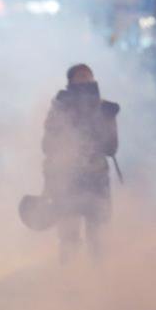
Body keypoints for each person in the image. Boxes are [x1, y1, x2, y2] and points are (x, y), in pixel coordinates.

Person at [42, 64, 119, 262]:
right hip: (68, 176)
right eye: (80, 76)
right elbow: (48, 145)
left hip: (96, 176)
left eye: (88, 76)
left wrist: (107, 120)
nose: (85, 79)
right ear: (71, 82)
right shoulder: (60, 106)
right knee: (69, 233)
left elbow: (111, 148)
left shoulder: (104, 108)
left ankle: (97, 276)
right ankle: (69, 277)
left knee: (97, 233)